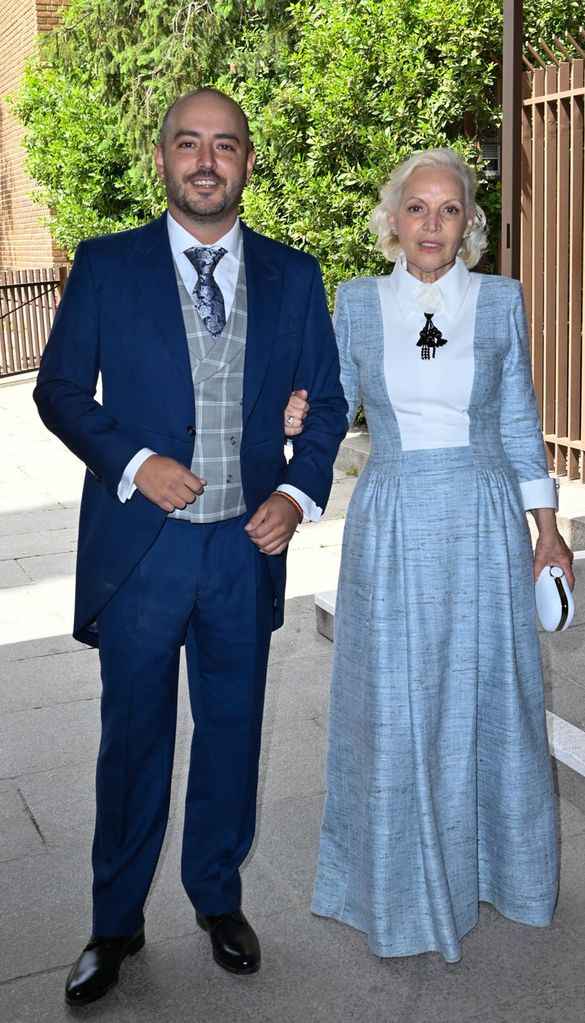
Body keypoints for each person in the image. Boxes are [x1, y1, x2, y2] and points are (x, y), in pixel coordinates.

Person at [33, 87, 347, 1005]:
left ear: (249, 161)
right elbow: (59, 389)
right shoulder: (106, 265)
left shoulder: (295, 275)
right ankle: (114, 922)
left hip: (242, 552)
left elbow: (323, 404)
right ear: (162, 157)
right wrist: (133, 459)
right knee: (131, 740)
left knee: (232, 735)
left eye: (226, 145)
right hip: (143, 552)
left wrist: (294, 493)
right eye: (189, 144)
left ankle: (217, 897)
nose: (206, 160)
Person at [310, 147, 574, 963]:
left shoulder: (500, 302)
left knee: (493, 694)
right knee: (394, 700)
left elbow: (519, 418)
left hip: (484, 515)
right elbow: (327, 406)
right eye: (416, 208)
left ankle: (502, 869)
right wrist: (291, 420)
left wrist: (549, 528)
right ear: (393, 221)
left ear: (469, 224)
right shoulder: (354, 303)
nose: (431, 224)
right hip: (390, 520)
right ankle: (397, 884)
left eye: (448, 208)